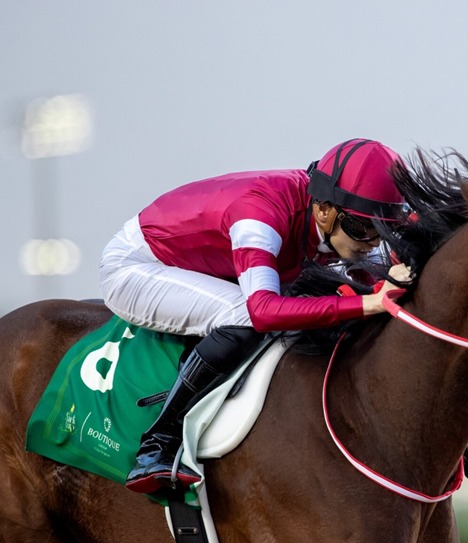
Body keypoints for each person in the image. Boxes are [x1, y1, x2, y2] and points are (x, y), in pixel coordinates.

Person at [99, 138, 412, 495]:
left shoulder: (330, 215)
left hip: (210, 267)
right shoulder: (260, 215)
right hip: (137, 267)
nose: (371, 241)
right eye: (361, 228)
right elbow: (263, 311)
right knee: (243, 316)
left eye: (383, 230)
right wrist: (370, 304)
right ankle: (159, 443)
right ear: (323, 210)